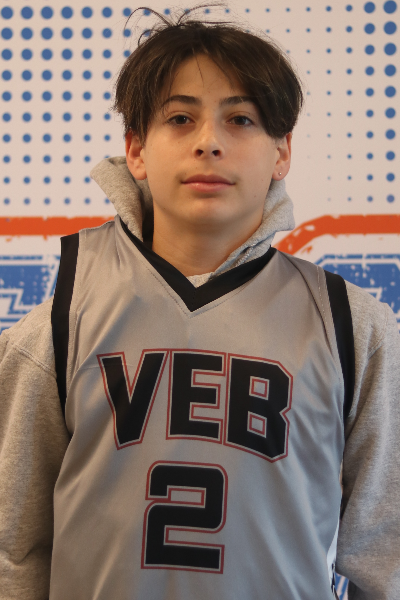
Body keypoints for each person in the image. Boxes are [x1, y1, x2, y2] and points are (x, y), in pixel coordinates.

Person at [0, 4, 399, 599]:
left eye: (241, 119)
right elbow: (14, 551)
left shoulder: (352, 328)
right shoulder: (61, 318)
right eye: (180, 118)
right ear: (137, 149)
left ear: (281, 152)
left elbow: (386, 560)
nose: (209, 142)